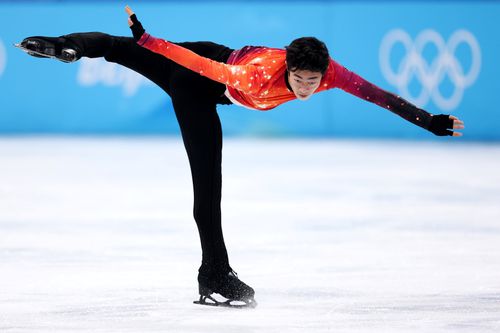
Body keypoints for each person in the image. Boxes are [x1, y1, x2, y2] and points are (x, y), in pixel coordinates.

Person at [16, 5, 464, 308]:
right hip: (197, 77)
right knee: (205, 182)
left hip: (206, 72)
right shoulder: (256, 75)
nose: (306, 88)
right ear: (287, 67)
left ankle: (212, 273)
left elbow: (378, 95)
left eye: (313, 81)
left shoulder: (332, 75)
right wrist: (151, 42)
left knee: (119, 52)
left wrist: (428, 121)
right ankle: (60, 45)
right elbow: (206, 69)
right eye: (300, 79)